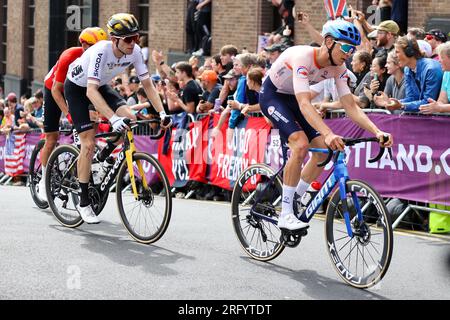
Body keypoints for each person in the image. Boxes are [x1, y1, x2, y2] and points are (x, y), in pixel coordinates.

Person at [259, 20, 393, 230]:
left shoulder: (338, 68)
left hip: (293, 99)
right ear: (329, 41)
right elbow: (305, 103)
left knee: (322, 152)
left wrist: (377, 131)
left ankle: (296, 198)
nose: (349, 54)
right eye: (346, 47)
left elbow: (350, 106)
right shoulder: (303, 57)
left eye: (353, 49)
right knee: (300, 144)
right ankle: (285, 213)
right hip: (272, 96)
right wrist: (329, 133)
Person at [64, 13, 172, 224]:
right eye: (128, 39)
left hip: (100, 85)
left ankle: (103, 156)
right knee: (87, 143)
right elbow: (91, 91)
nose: (133, 43)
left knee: (129, 119)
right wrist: (112, 118)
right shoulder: (100, 51)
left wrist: (162, 113)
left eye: (136, 38)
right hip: (78, 88)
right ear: (114, 40)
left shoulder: (136, 52)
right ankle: (84, 202)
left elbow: (148, 85)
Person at [37, 27, 108, 202]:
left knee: (88, 136)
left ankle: (82, 178)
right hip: (54, 89)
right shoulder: (69, 56)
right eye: (93, 46)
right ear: (83, 45)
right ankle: (44, 180)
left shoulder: (101, 57)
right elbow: (56, 90)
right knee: (52, 138)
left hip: (80, 90)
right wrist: (69, 115)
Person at [386, 36, 443, 113]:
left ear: (409, 52)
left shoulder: (431, 69)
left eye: (397, 52)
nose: (395, 56)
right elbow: (412, 98)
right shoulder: (407, 69)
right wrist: (390, 102)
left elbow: (428, 102)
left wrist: (401, 105)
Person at [420, 42, 450, 114]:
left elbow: (441, 107)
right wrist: (433, 106)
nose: (439, 60)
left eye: (442, 57)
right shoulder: (447, 73)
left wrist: (440, 108)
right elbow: (442, 101)